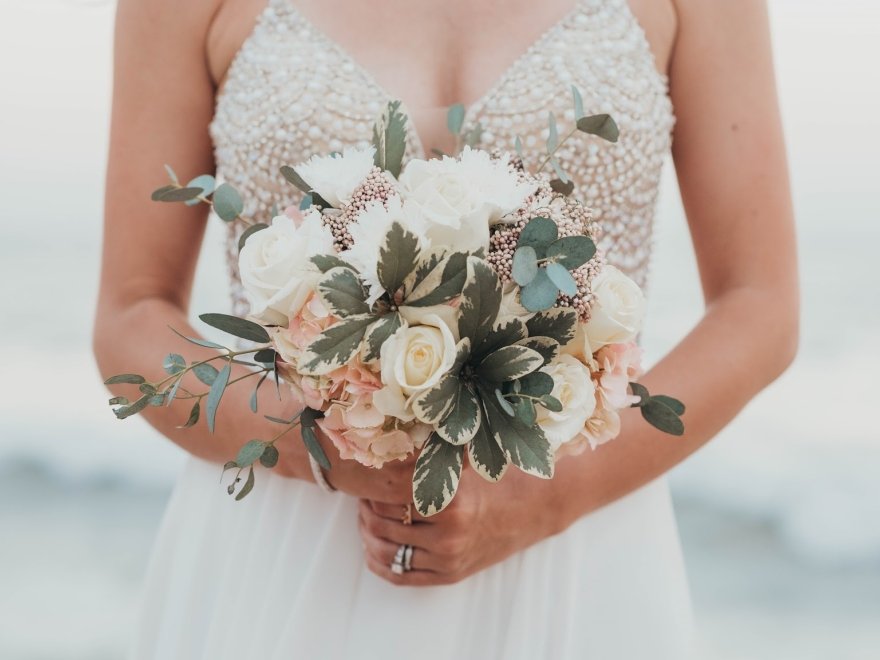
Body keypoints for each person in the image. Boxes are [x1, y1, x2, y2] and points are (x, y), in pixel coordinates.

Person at [93, 0, 799, 657]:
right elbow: (132, 314)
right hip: (288, 538)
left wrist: (544, 498)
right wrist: (338, 450)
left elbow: (760, 304)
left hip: (577, 537)